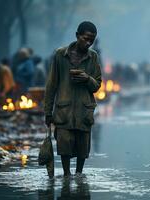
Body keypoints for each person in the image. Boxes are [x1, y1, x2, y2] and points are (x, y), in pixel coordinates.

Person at [44, 21, 102, 178]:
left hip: (84, 111)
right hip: (64, 110)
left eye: (92, 40)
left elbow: (97, 85)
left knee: (83, 148)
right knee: (64, 146)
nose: (89, 43)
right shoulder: (60, 55)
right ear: (77, 35)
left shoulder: (94, 57)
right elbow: (51, 85)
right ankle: (66, 176)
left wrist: (87, 79)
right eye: (86, 38)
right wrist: (47, 112)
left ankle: (79, 176)